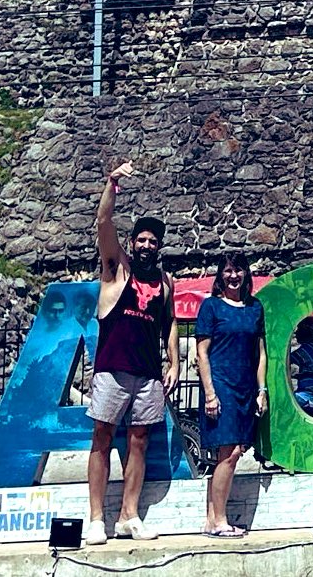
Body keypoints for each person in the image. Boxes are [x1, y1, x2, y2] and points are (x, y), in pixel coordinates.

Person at [85, 161, 177, 545]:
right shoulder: (117, 269)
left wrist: (174, 361)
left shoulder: (166, 282)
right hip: (113, 367)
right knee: (102, 437)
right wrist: (112, 183)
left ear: (158, 247)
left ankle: (129, 515)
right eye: (141, 240)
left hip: (148, 373)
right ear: (133, 242)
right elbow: (103, 223)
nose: (147, 246)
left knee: (139, 441)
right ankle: (95, 519)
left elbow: (169, 322)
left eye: (153, 241)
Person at [194, 253, 267, 538]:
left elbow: (261, 353)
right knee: (229, 451)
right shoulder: (211, 307)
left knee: (235, 451)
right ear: (220, 276)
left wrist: (261, 391)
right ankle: (219, 520)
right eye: (227, 271)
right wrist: (210, 394)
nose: (233, 276)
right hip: (221, 386)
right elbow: (202, 353)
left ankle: (211, 520)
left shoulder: (255, 308)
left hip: (246, 388)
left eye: (238, 270)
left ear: (246, 274)